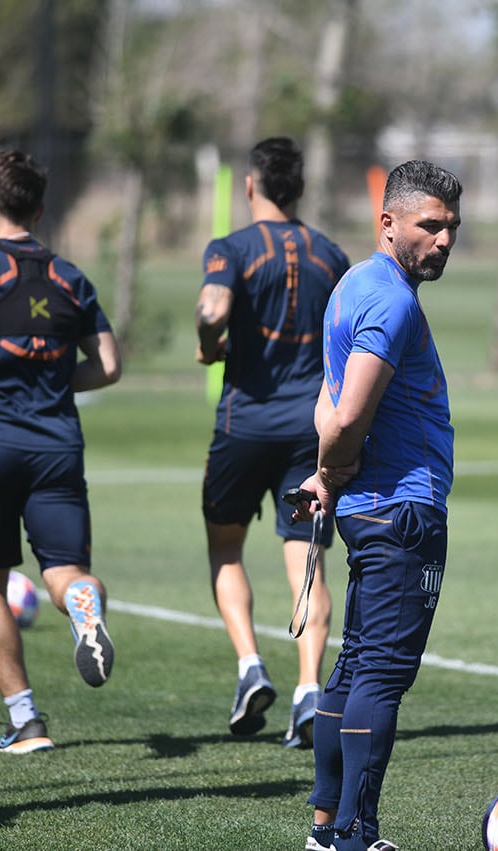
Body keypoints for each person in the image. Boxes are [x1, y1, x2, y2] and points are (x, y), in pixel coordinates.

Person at [290, 159, 463, 851]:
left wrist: (328, 475)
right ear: (387, 221)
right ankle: (357, 835)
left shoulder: (351, 287)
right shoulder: (390, 299)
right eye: (430, 225)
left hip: (372, 508)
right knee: (381, 676)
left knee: (356, 665)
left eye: (451, 226)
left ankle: (325, 828)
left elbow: (324, 404)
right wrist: (331, 469)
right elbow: (349, 414)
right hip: (402, 510)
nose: (444, 239)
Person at [0, 149, 123, 754]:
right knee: (65, 571)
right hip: (58, 444)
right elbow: (107, 367)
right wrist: (56, 383)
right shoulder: (69, 277)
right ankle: (82, 604)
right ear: (41, 208)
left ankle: (26, 720)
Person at [195, 137, 350, 746]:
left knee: (226, 550)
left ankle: (249, 666)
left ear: (252, 186)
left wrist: (211, 342)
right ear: (300, 189)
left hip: (242, 425)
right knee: (307, 563)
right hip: (308, 433)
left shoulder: (231, 248)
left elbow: (211, 313)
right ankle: (310, 689)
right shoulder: (332, 254)